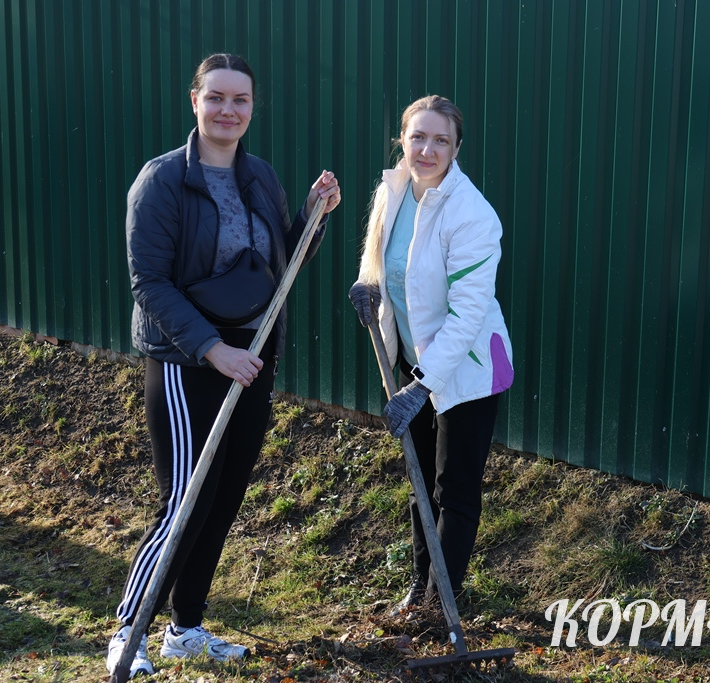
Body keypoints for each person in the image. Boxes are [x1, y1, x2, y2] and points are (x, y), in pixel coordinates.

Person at [108, 53, 341, 677]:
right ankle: (129, 632)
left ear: (252, 108)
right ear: (195, 101)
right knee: (186, 499)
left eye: (240, 100)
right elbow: (149, 283)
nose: (227, 110)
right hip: (187, 357)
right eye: (216, 97)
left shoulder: (259, 176)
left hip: (252, 353)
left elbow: (280, 265)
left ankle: (185, 629)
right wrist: (214, 350)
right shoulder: (161, 181)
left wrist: (312, 217)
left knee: (224, 494)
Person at [348, 95, 512, 615]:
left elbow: (467, 316)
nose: (427, 149)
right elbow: (386, 262)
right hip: (413, 362)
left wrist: (421, 387)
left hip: (467, 369)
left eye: (441, 140)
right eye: (418, 136)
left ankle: (443, 602)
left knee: (453, 488)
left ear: (456, 148)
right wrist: (368, 284)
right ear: (402, 139)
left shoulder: (472, 215)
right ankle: (421, 587)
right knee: (419, 482)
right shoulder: (394, 190)